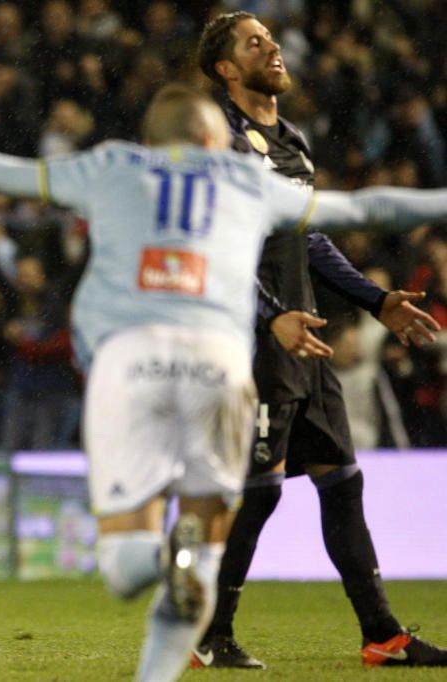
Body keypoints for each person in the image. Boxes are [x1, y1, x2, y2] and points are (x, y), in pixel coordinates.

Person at [0, 81, 447, 681]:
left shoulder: (110, 167)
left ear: (151, 139)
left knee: (128, 566)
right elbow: (371, 207)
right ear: (216, 137)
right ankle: (188, 572)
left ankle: (164, 565)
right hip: (219, 365)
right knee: (207, 539)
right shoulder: (248, 183)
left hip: (130, 362)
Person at [191, 12, 447, 669]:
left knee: (342, 480)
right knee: (262, 487)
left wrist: (377, 299)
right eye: (255, 43)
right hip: (254, 341)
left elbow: (310, 240)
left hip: (304, 337)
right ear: (225, 69)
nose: (272, 49)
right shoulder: (215, 141)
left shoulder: (293, 142)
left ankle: (382, 635)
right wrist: (268, 314)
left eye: (272, 40)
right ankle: (206, 633)